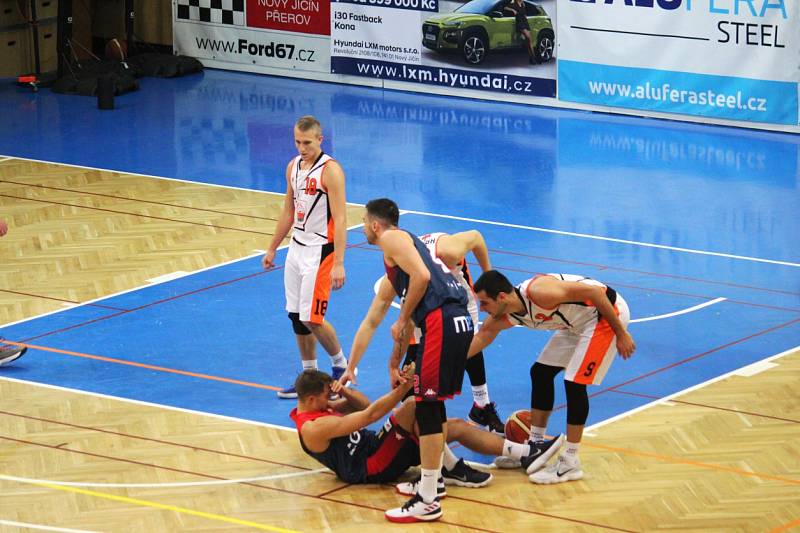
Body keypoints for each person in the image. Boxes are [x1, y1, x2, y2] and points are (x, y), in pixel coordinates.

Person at [291, 367, 539, 521]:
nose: (330, 399)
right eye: (326, 395)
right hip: (371, 466)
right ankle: (447, 469)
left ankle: (526, 453)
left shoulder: (318, 408)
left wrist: (343, 392)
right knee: (413, 404)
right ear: (311, 398)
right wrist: (406, 388)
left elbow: (363, 405)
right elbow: (369, 416)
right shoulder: (313, 428)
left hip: (379, 447)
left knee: (452, 426)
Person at [360, 198, 474, 522]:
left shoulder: (391, 239)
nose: (364, 228)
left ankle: (428, 499)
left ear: (376, 224)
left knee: (426, 406)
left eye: (364, 222)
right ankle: (432, 484)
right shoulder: (404, 245)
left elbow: (422, 278)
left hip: (441, 319)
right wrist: (393, 360)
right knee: (432, 406)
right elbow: (417, 287)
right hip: (454, 318)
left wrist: (402, 318)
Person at [470, 270, 636, 484]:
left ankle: (570, 462)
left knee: (575, 383)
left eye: (484, 303)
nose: (482, 310)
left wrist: (621, 333)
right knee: (540, 373)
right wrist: (445, 363)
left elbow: (595, 293)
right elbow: (482, 336)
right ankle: (535, 446)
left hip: (606, 315)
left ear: (502, 297)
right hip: (575, 323)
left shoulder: (540, 293)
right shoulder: (508, 314)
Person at [337, 230, 504, 433]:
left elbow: (477, 236)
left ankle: (481, 405)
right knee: (412, 375)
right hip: (427, 309)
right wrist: (350, 365)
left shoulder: (447, 250)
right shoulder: (394, 278)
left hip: (458, 299)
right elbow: (371, 322)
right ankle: (417, 422)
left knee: (466, 346)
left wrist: (488, 279)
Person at [262, 116, 350, 399]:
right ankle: (309, 377)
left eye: (307, 143)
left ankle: (341, 368)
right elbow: (288, 210)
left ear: (320, 140)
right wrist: (273, 247)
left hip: (321, 251)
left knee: (313, 318)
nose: (302, 148)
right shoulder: (292, 167)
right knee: (297, 318)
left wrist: (338, 262)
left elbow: (341, 218)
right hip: (296, 249)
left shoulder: (331, 171)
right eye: (298, 142)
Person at [504, 0, 536, 64]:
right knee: (528, 38)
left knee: (529, 41)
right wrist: (512, 10)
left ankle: (531, 59)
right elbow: (505, 7)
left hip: (525, 22)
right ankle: (534, 58)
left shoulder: (523, 3)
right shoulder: (513, 3)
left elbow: (524, 13)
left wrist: (526, 17)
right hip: (519, 22)